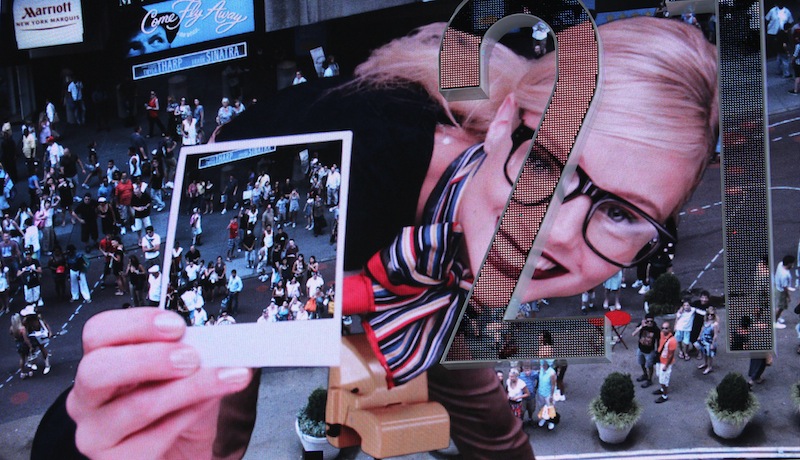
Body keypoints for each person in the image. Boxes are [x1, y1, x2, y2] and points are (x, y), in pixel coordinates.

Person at [59, 17, 718, 459]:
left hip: (421, 273)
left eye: (624, 215)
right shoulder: (368, 165)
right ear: (501, 127)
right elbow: (155, 393)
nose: (557, 233)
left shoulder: (487, 209)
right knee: (211, 409)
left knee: (488, 419)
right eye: (547, 163)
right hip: (313, 214)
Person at [631, 312, 660, 388]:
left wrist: (658, 352)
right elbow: (633, 334)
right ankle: (645, 374)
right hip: (641, 349)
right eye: (648, 321)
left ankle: (649, 380)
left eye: (651, 321)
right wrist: (641, 326)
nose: (650, 323)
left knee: (650, 366)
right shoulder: (642, 325)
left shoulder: (656, 329)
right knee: (641, 363)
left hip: (650, 351)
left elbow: (658, 341)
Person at [654, 321, 677, 403]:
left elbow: (671, 355)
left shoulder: (672, 341)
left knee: (663, 380)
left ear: (670, 329)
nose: (664, 330)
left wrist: (666, 366)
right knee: (659, 375)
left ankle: (664, 395)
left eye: (666, 328)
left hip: (665, 363)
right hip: (660, 360)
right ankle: (661, 389)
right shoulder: (661, 334)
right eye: (663, 328)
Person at [694, 306, 720, 375]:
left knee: (709, 355)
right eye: (708, 314)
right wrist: (699, 336)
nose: (710, 316)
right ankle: (705, 364)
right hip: (703, 339)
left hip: (710, 341)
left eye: (712, 314)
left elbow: (715, 335)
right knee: (704, 352)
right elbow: (702, 328)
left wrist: (712, 344)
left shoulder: (715, 324)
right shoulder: (706, 321)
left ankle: (709, 367)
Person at [774, 254, 795, 328]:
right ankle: (775, 322)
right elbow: (785, 287)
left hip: (778, 286)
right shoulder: (784, 275)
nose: (793, 264)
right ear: (789, 263)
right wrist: (788, 297)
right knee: (781, 307)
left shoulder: (780, 264)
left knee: (780, 306)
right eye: (792, 263)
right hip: (782, 291)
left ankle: (777, 318)